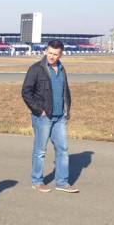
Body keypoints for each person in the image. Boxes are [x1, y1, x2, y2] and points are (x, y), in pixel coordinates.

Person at [21, 40, 79, 193]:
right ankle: (37, 181)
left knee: (63, 149)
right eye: (50, 53)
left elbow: (65, 90)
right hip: (43, 117)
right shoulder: (36, 69)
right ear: (46, 51)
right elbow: (26, 92)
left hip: (60, 117)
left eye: (55, 54)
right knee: (40, 151)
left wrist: (67, 109)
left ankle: (62, 182)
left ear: (61, 55)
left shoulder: (61, 69)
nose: (52, 56)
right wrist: (39, 110)